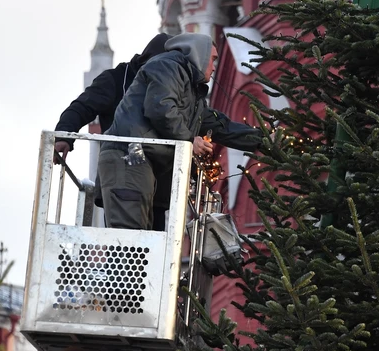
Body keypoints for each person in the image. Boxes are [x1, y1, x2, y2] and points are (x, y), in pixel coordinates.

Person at [97, 33, 263, 231]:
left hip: (140, 161)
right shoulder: (168, 66)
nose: (215, 66)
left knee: (142, 237)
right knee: (130, 237)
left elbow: (221, 126)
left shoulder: (192, 93)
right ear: (199, 54)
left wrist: (264, 141)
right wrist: (189, 140)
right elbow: (160, 107)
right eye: (213, 59)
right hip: (128, 157)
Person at [54, 33, 172, 163]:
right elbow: (82, 107)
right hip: (120, 165)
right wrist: (63, 136)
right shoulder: (116, 79)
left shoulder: (175, 86)